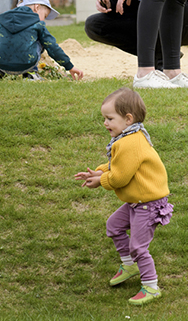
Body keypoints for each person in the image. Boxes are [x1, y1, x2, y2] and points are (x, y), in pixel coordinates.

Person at [74, 88, 173, 305]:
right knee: (114, 226)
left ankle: (151, 286)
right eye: (104, 118)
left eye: (110, 119)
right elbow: (117, 165)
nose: (105, 123)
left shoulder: (130, 142)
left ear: (128, 119)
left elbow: (119, 177)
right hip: (137, 202)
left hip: (147, 204)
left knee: (138, 246)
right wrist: (99, 172)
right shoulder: (128, 136)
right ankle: (130, 265)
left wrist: (101, 180)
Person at [0, 0, 83, 81]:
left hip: (1, 64)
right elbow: (52, 46)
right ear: (37, 7)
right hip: (26, 64)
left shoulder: (2, 19)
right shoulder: (38, 24)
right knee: (42, 41)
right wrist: (69, 66)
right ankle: (31, 73)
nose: (44, 20)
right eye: (45, 15)